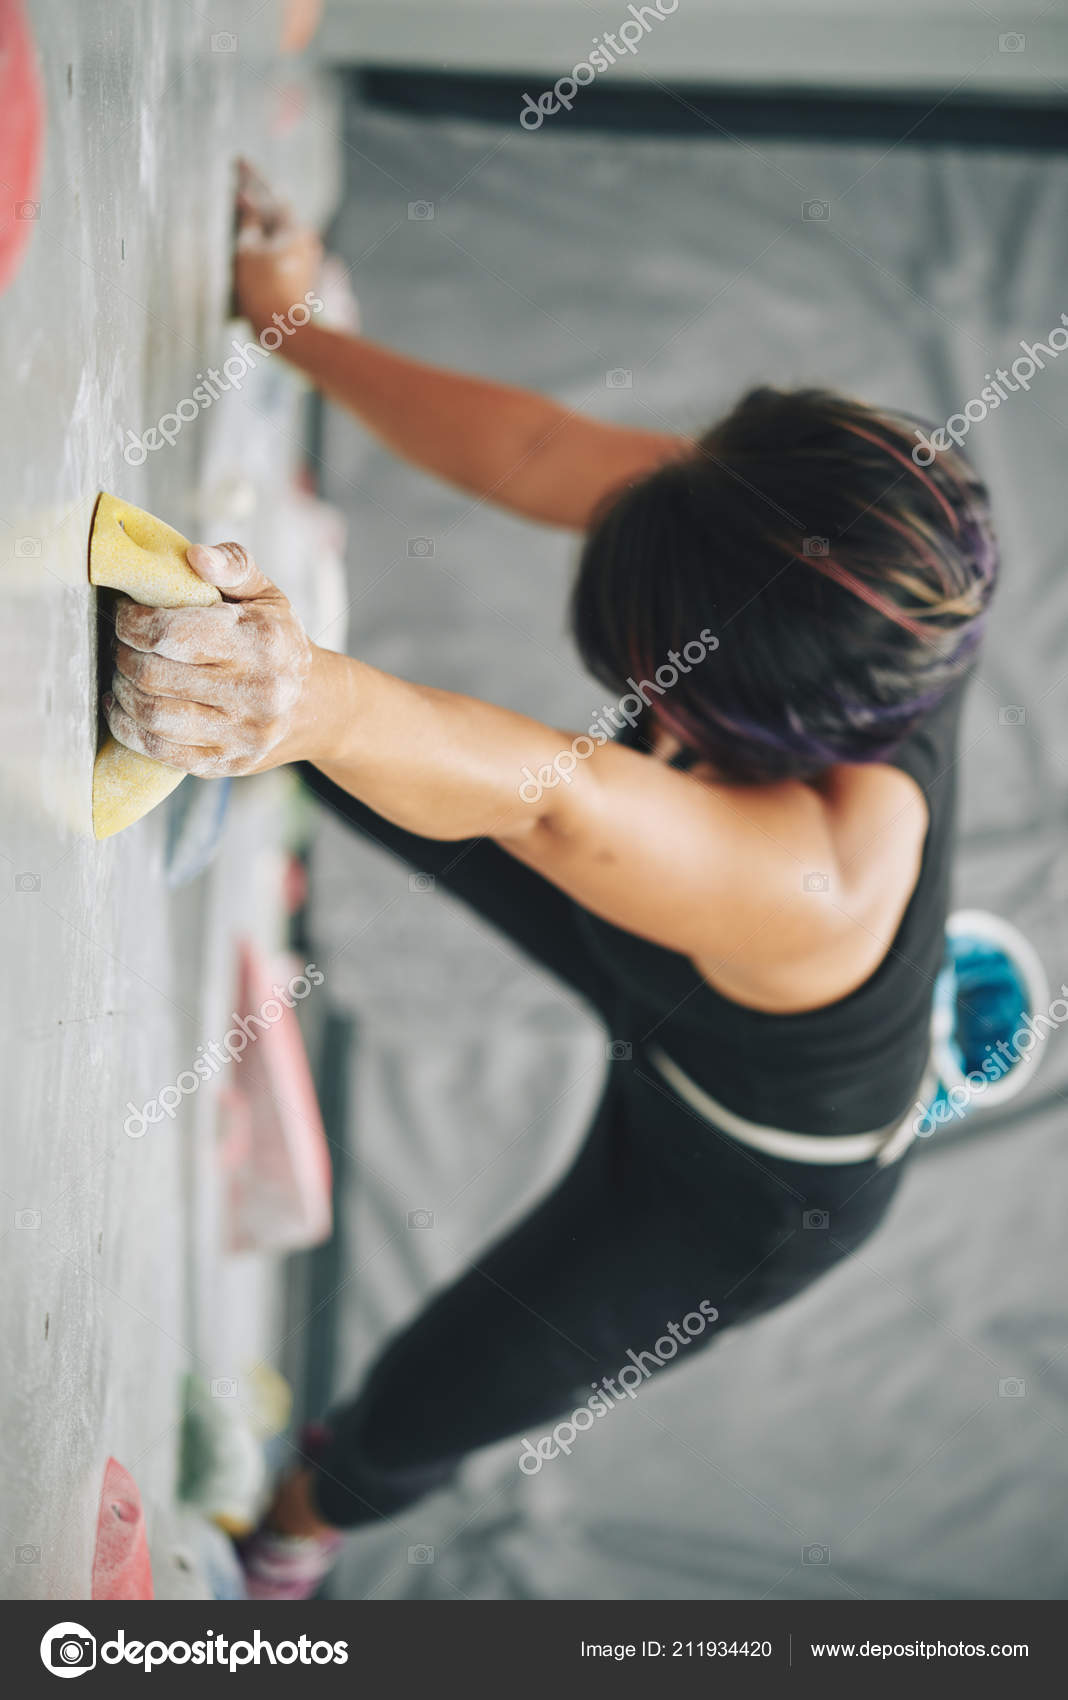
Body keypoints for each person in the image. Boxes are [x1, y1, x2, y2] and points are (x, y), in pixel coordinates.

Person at [102, 189, 998, 1598]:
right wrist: (284, 323)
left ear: (730, 735)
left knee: (435, 1394)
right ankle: (284, 749)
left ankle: (292, 1540)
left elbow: (553, 795)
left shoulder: (812, 874)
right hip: (684, 950)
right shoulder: (855, 565)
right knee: (365, 762)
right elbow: (539, 449)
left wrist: (309, 692)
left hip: (738, 1176)